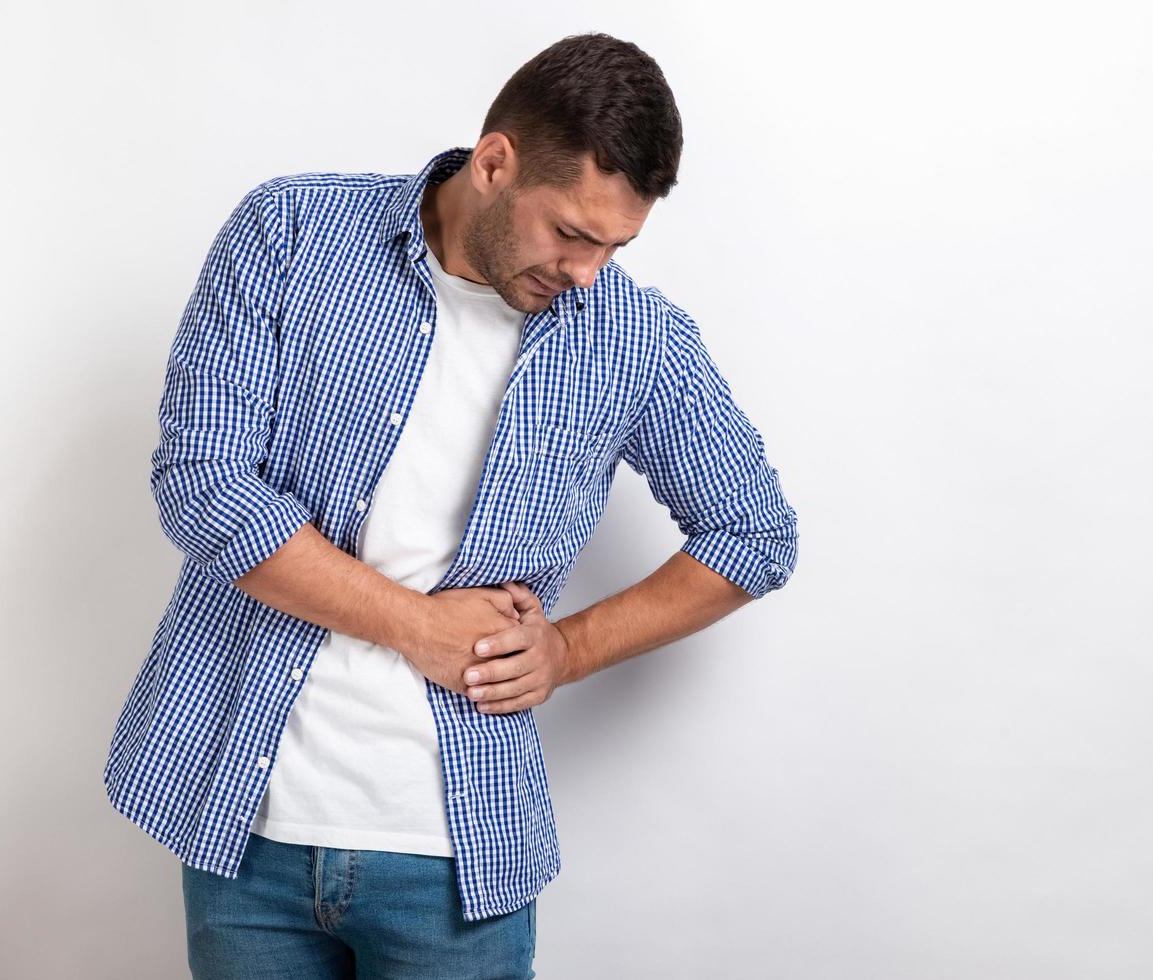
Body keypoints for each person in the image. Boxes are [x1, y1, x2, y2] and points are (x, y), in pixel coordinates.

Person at [102, 31, 798, 980]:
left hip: (455, 856)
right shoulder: (293, 235)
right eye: (571, 233)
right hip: (244, 817)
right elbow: (201, 481)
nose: (587, 272)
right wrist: (415, 626)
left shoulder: (634, 338)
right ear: (496, 161)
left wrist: (567, 649)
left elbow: (756, 532)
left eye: (615, 245)